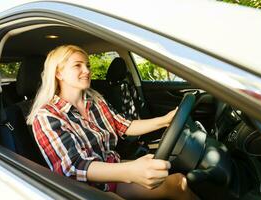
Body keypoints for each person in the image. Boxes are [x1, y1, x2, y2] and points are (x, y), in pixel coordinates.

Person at [27, 45, 198, 200]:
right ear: (59, 73)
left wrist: (165, 120)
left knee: (179, 183)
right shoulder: (46, 116)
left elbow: (124, 126)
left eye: (88, 65)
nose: (87, 70)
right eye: (77, 65)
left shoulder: (95, 101)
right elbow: (73, 167)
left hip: (113, 172)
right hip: (83, 190)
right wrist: (130, 171)